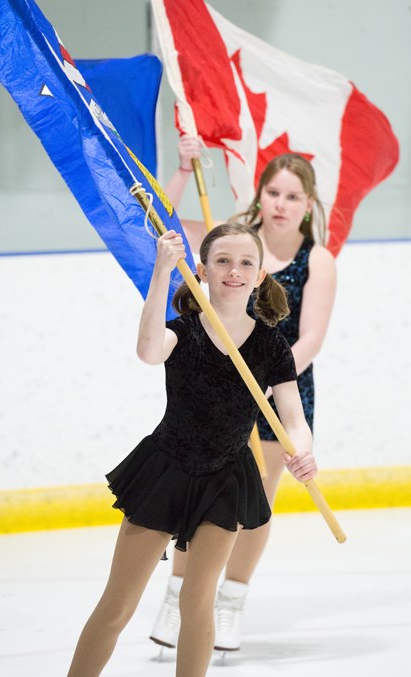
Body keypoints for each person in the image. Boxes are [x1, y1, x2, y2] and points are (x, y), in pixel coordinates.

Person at [67, 223, 317, 677]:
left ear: (260, 275)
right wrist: (161, 271)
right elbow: (147, 352)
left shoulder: (271, 345)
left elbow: (294, 420)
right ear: (201, 269)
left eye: (245, 263)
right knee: (118, 604)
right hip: (166, 469)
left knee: (196, 602)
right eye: (222, 261)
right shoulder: (182, 330)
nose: (234, 271)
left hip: (225, 478)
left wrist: (303, 451)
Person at [150, 137, 337, 653]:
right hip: (216, 387)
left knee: (254, 502)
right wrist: (185, 169)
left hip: (281, 385)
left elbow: (310, 340)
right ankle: (179, 596)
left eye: (292, 196)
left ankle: (230, 601)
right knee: (202, 492)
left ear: (308, 205)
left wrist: (264, 379)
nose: (280, 203)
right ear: (260, 195)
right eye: (273, 192)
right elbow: (160, 226)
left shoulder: (317, 260)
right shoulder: (236, 242)